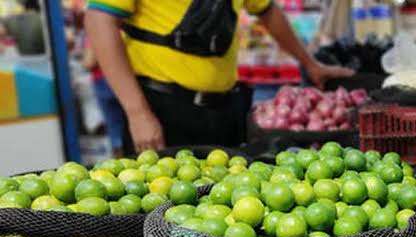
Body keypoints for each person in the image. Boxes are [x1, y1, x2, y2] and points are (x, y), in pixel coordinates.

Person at [85, 0, 353, 155]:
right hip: (161, 110)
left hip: (224, 111)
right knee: (162, 216)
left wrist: (310, 64)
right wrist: (137, 113)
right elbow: (99, 19)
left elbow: (268, 11)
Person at [83, 37, 126, 158]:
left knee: (113, 125)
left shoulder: (96, 30)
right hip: (123, 80)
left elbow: (90, 62)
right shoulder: (120, 28)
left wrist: (82, 61)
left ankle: (121, 161)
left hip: (103, 82)